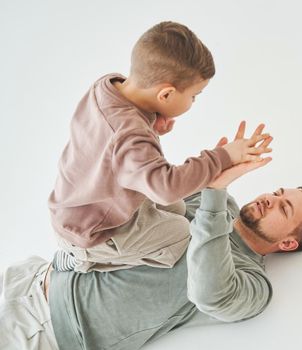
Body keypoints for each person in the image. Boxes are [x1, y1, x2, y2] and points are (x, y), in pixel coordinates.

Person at [0, 156, 302, 350]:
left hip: (43, 331)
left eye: (283, 208)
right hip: (33, 274)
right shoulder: (218, 203)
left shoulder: (254, 286)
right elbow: (150, 191)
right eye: (277, 191)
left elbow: (209, 292)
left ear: (287, 243)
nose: (270, 198)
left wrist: (215, 192)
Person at [48, 21, 272, 273]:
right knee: (180, 233)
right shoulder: (131, 136)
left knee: (179, 209)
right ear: (165, 94)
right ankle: (83, 260)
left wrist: (150, 120)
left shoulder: (107, 86)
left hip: (80, 202)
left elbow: (112, 143)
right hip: (93, 232)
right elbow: (166, 187)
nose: (193, 102)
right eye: (194, 96)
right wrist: (222, 157)